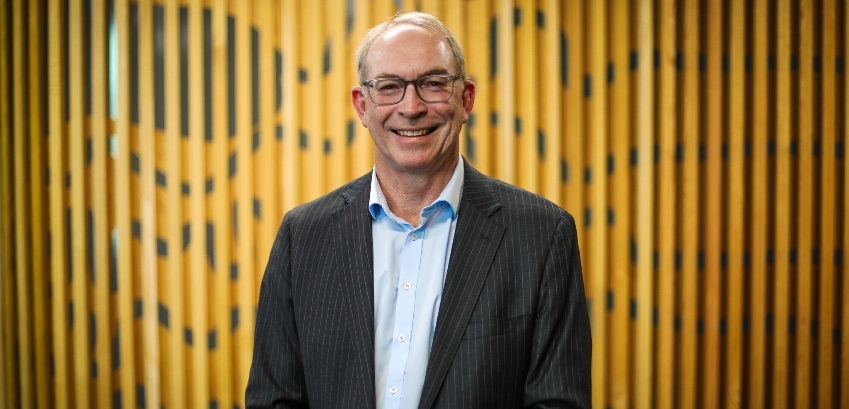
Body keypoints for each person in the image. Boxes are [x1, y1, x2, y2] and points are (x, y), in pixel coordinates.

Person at [246, 11, 591, 409]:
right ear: (362, 105)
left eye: (433, 84)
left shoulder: (542, 236)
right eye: (389, 86)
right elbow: (274, 401)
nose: (411, 107)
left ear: (466, 99)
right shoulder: (303, 237)